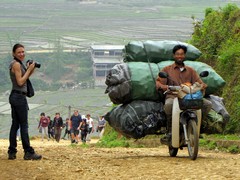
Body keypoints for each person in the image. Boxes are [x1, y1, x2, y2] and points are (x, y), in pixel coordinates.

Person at [155, 44, 212, 144]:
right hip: (174, 96)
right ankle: (170, 131)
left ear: (184, 55)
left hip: (189, 96)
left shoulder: (191, 70)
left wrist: (202, 85)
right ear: (174, 56)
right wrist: (164, 86)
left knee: (207, 104)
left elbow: (199, 81)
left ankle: (198, 127)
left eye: (181, 54)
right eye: (177, 54)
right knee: (168, 106)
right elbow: (159, 82)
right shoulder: (167, 70)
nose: (179, 56)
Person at [8, 43, 42, 160]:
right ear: (14, 54)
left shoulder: (17, 64)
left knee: (15, 125)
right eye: (19, 52)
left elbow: (25, 77)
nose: (22, 54)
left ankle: (12, 151)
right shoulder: (16, 64)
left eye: (23, 52)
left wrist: (29, 69)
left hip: (15, 96)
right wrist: (29, 70)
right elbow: (21, 82)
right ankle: (28, 152)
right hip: (19, 97)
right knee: (24, 125)